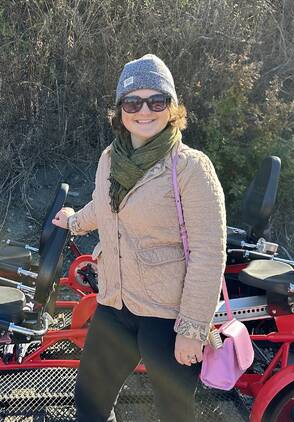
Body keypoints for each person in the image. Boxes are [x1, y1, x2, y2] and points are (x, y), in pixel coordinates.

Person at [51, 54, 226, 421]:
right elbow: (105, 206)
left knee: (173, 414)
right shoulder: (109, 159)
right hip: (115, 303)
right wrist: (73, 222)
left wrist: (193, 328)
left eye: (156, 101)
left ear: (171, 107)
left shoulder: (191, 168)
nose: (144, 111)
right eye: (133, 102)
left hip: (168, 316)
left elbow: (209, 253)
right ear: (120, 110)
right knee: (90, 403)